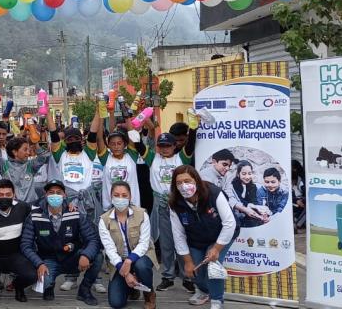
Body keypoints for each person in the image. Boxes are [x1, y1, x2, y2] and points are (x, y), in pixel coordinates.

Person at [20, 180, 102, 305]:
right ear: (45, 195)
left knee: (97, 257)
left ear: (64, 195)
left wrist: (86, 255)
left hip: (72, 257)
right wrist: (39, 263)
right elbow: (25, 245)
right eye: (51, 192)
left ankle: (84, 290)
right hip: (48, 260)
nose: (55, 195)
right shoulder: (35, 215)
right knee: (43, 284)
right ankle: (49, 285)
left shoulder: (75, 213)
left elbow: (92, 239)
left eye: (58, 192)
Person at [50, 112, 106, 293]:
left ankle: (95, 278)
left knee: (92, 239)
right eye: (69, 138)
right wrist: (45, 110)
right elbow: (52, 134)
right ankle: (71, 276)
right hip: (69, 204)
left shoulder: (89, 154)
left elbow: (93, 131)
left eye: (77, 138)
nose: (73, 140)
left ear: (82, 140)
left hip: (88, 203)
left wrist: (98, 110)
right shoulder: (61, 156)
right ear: (65, 141)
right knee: (71, 239)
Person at [169, 166, 239, 309]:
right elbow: (178, 235)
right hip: (196, 239)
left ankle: (217, 300)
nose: (184, 186)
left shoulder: (214, 193)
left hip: (221, 235)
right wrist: (187, 261)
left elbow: (229, 224)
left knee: (213, 266)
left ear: (196, 180)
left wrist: (217, 248)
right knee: (196, 271)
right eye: (179, 183)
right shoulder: (175, 203)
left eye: (187, 181)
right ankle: (203, 291)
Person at [137, 130, 194, 293]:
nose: (164, 149)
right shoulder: (153, 158)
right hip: (161, 204)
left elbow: (190, 145)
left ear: (175, 145)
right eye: (161, 146)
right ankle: (168, 276)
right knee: (166, 242)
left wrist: (193, 128)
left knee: (182, 240)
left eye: (167, 146)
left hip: (180, 205)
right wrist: (135, 133)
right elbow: (140, 147)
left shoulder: (180, 158)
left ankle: (187, 277)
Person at [98, 181, 157, 309]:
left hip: (141, 256)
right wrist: (124, 270)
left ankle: (149, 293)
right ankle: (132, 288)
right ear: (111, 196)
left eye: (124, 195)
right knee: (116, 303)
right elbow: (109, 249)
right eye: (116, 195)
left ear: (130, 197)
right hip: (119, 261)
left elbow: (144, 243)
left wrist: (130, 260)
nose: (120, 198)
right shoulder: (104, 220)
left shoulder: (142, 214)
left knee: (141, 266)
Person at [200, 150, 263, 225]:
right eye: (224, 164)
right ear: (214, 162)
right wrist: (245, 209)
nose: (227, 168)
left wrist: (246, 209)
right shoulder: (204, 176)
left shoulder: (227, 176)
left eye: (229, 166)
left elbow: (229, 196)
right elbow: (210, 200)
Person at [0, 134, 54, 204]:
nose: (28, 153)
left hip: (32, 206)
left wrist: (36, 143)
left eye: (28, 150)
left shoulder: (30, 165)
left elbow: (42, 157)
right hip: (13, 206)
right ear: (15, 152)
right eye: (25, 150)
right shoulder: (5, 165)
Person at [230, 160, 263, 227]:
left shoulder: (253, 187)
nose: (247, 177)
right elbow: (239, 200)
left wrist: (259, 210)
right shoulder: (233, 185)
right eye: (244, 174)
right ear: (238, 174)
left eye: (249, 173)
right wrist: (249, 206)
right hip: (236, 214)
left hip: (249, 214)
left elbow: (254, 201)